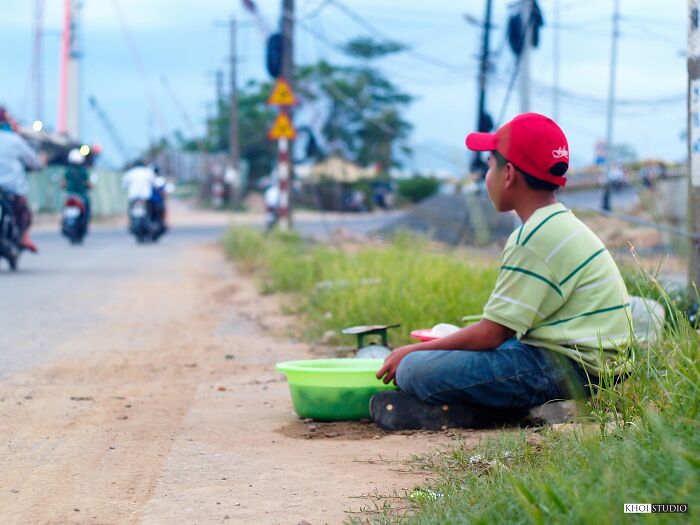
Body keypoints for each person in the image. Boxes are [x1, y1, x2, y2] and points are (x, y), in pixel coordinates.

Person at [371, 113, 633, 430]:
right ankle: (484, 411)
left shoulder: (533, 237)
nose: (487, 176)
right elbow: (505, 332)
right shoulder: (557, 223)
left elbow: (491, 334)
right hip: (590, 362)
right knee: (452, 352)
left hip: (574, 367)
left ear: (508, 174)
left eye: (490, 165)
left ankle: (473, 413)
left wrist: (413, 351)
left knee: (414, 369)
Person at [0, 107, 42, 253]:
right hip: (11, 188)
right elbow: (34, 161)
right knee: (24, 212)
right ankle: (24, 237)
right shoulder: (15, 140)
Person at [63, 148, 92, 233]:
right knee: (87, 207)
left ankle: (64, 221)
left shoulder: (68, 170)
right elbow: (88, 183)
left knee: (64, 207)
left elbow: (63, 183)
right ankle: (86, 223)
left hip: (70, 195)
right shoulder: (83, 171)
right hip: (81, 195)